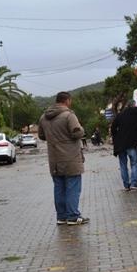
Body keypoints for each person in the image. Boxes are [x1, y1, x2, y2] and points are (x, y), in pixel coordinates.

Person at [38, 91, 89, 226]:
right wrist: (82, 130)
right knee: (73, 187)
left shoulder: (43, 117)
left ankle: (61, 217)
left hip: (54, 159)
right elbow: (77, 132)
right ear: (67, 101)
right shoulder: (68, 115)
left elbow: (41, 136)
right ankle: (73, 216)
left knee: (59, 188)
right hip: (71, 157)